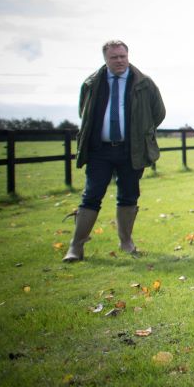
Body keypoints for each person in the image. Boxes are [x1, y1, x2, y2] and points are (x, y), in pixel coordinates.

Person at [63, 40, 166, 262]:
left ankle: (126, 242)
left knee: (128, 194)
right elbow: (85, 112)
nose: (119, 60)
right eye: (114, 57)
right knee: (91, 194)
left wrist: (141, 132)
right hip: (99, 150)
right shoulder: (92, 83)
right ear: (105, 59)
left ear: (128, 56)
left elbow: (158, 113)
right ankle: (76, 246)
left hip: (131, 150)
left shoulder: (144, 83)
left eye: (123, 56)